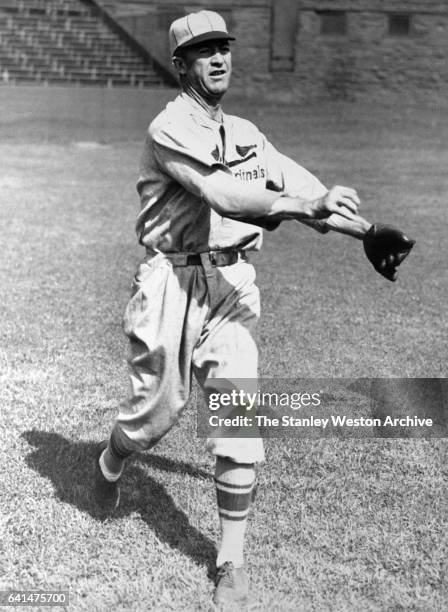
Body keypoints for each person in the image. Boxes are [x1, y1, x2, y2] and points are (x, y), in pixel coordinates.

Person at [92, 10, 406, 608]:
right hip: (171, 285)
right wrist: (301, 202)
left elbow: (297, 182)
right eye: (203, 52)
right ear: (180, 65)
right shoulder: (169, 128)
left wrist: (365, 230)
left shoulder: (244, 131)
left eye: (223, 49)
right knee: (152, 417)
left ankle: (229, 562)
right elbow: (222, 193)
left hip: (230, 284)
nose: (218, 59)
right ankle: (110, 462)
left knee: (240, 414)